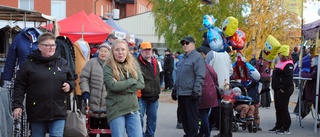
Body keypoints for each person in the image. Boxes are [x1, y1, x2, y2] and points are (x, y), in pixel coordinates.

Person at [12, 32, 75, 137]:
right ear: (40, 47)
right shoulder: (29, 64)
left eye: (53, 45)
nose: (51, 48)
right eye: (47, 45)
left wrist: (69, 85)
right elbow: (19, 85)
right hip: (37, 110)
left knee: (56, 135)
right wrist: (17, 105)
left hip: (58, 109)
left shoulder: (62, 62)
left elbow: (72, 79)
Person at [103, 39, 145, 137]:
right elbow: (113, 86)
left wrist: (121, 86)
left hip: (132, 108)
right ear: (112, 51)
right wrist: (131, 81)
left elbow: (141, 84)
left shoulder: (133, 65)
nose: (120, 52)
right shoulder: (108, 67)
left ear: (127, 51)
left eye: (123, 49)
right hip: (116, 110)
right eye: (117, 50)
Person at [173, 36, 206, 137]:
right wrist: (174, 89)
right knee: (184, 118)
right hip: (181, 93)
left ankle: (193, 135)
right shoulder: (182, 58)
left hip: (191, 93)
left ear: (193, 44)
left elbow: (200, 75)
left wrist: (196, 91)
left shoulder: (197, 57)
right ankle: (188, 134)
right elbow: (178, 75)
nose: (184, 45)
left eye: (187, 43)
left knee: (192, 117)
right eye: (183, 44)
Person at [80, 43, 111, 137]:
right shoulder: (91, 62)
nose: (103, 53)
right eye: (101, 51)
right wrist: (85, 91)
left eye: (105, 51)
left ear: (109, 53)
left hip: (107, 107)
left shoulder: (112, 65)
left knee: (106, 134)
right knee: (91, 132)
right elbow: (84, 78)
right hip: (92, 105)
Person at [137, 42, 161, 137]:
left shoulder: (155, 62)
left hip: (154, 97)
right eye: (145, 50)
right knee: (139, 118)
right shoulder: (136, 63)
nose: (147, 52)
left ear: (152, 51)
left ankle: (150, 135)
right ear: (141, 51)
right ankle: (140, 135)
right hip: (141, 96)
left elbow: (159, 76)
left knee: (152, 119)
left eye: (149, 49)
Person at [269, 45, 294, 135]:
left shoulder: (288, 64)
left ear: (283, 54)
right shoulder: (280, 62)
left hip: (284, 89)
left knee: (283, 108)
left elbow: (289, 78)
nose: (278, 55)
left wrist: (283, 88)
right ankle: (278, 125)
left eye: (279, 54)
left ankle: (286, 127)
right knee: (278, 108)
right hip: (277, 89)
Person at [196, 48, 219, 137]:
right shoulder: (209, 67)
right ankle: (202, 132)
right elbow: (215, 78)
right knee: (206, 113)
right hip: (212, 93)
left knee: (203, 115)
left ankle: (206, 133)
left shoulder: (198, 68)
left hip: (203, 93)